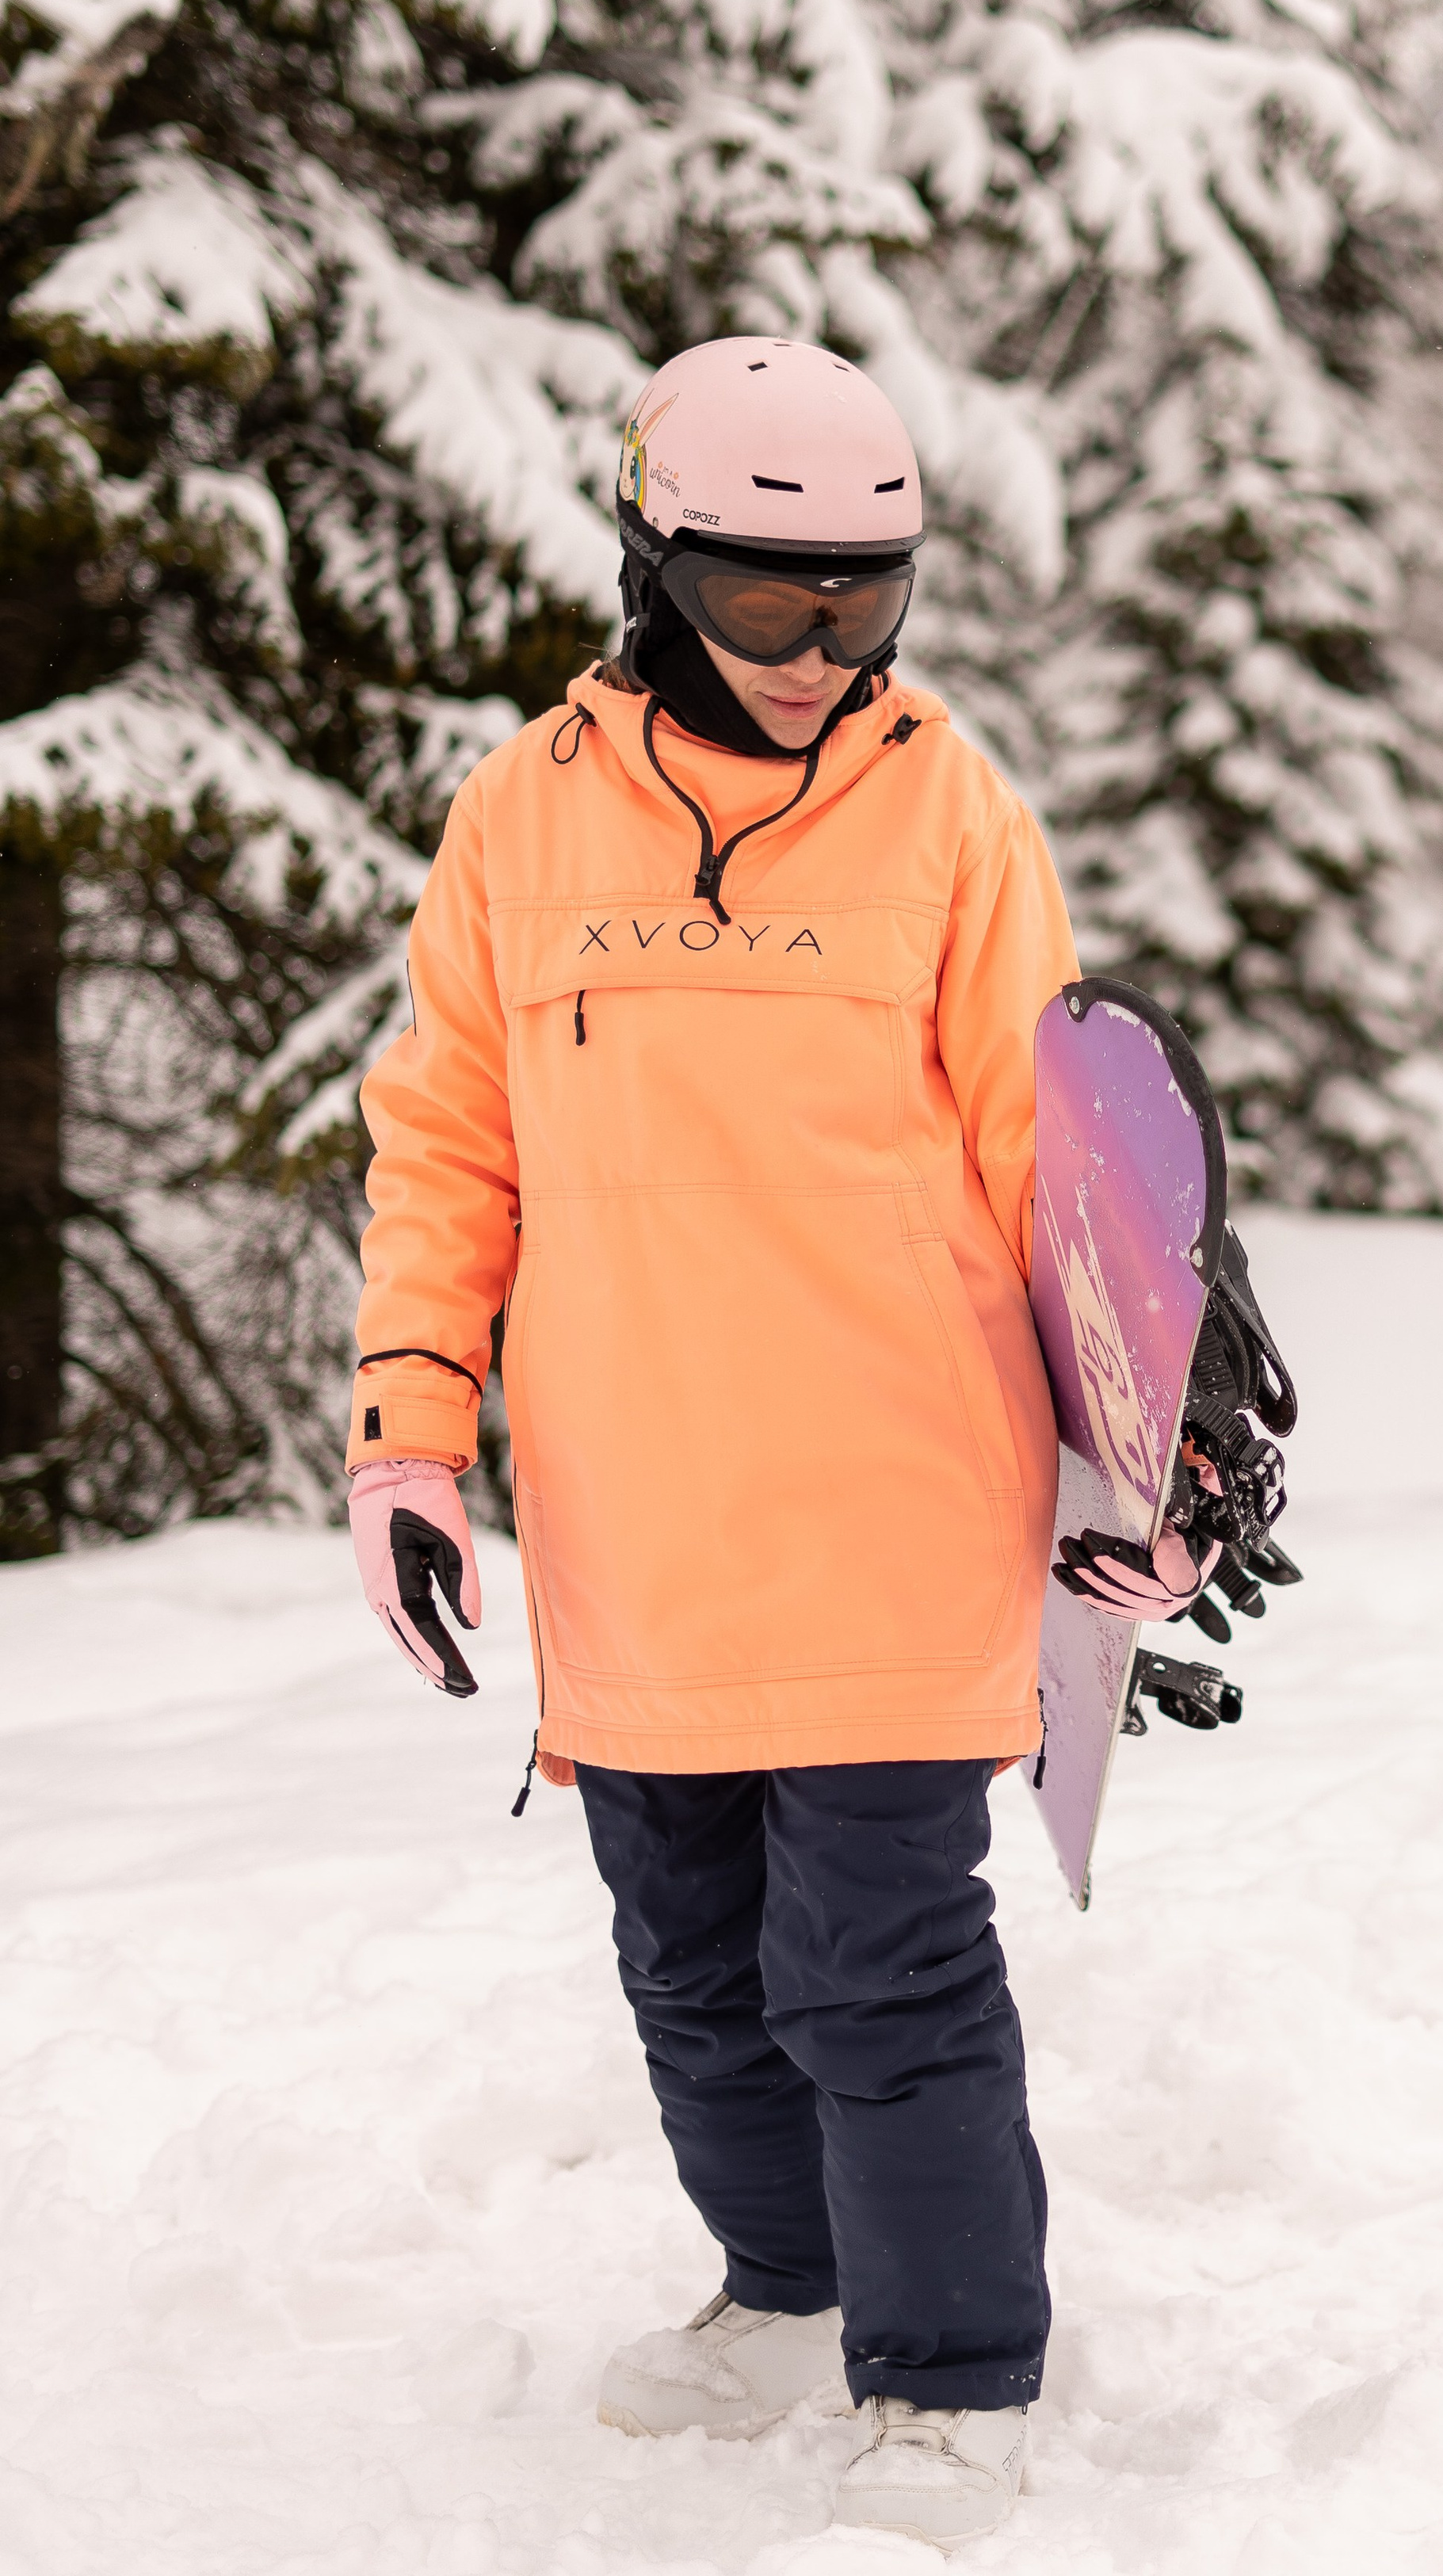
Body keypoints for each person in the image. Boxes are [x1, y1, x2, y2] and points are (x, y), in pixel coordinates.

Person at [342, 337, 1083, 2546]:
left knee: (880, 1953)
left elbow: (1060, 1153)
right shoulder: (522, 813)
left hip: (897, 1485)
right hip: (635, 1510)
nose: (817, 653)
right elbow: (445, 1143)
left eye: (869, 601)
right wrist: (409, 1439)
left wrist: (1147, 1452)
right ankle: (786, 2291)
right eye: (769, 601)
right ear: (656, 565)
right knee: (689, 1952)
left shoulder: (949, 805)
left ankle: (952, 2378)